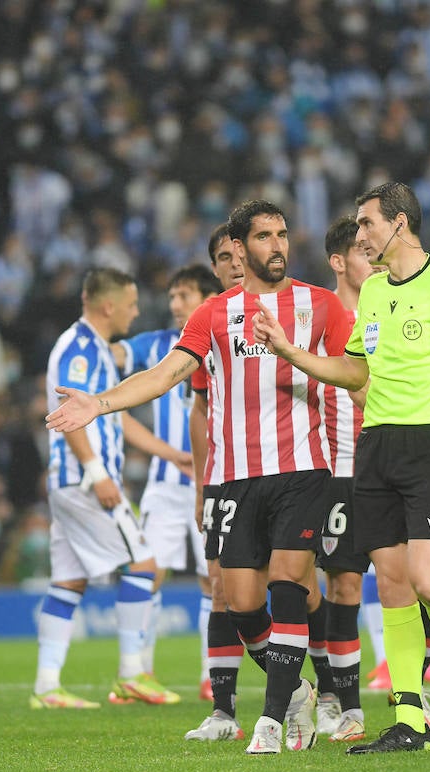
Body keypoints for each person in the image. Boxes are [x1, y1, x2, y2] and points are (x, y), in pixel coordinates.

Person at [50, 201, 350, 755]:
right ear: (239, 248)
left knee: (289, 584)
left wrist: (293, 353)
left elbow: (357, 371)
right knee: (239, 603)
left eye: (282, 234)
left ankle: (270, 718)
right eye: (264, 237)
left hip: (304, 469)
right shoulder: (214, 315)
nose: (278, 245)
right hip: (236, 477)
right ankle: (302, 690)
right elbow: (165, 375)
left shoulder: (320, 304)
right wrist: (100, 403)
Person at [252, 181, 430, 754]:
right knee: (391, 586)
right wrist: (292, 353)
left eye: (366, 224)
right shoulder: (371, 296)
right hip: (377, 447)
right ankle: (409, 721)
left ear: (399, 224)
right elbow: (357, 375)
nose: (359, 235)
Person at [34, 267, 187, 710]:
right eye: (131, 304)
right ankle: (131, 674)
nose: (135, 312)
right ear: (108, 305)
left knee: (68, 580)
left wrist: (168, 453)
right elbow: (71, 409)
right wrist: (97, 473)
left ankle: (47, 685)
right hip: (84, 480)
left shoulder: (96, 348)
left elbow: (111, 415)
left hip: (69, 481)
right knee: (143, 564)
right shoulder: (80, 347)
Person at [112, 264, 220, 701]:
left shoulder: (225, 339)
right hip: (164, 486)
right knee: (148, 572)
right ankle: (137, 672)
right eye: (172, 296)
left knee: (213, 582)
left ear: (207, 299)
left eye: (184, 295)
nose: (174, 304)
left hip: (214, 481)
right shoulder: (156, 344)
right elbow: (113, 356)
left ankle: (212, 676)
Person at [184, 223, 250, 742]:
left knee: (298, 588)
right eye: (223, 257)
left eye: (239, 253)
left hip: (292, 473)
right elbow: (201, 410)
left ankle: (323, 695)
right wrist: (202, 484)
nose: (234, 262)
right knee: (221, 590)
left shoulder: (286, 310)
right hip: (225, 478)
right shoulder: (208, 323)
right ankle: (224, 711)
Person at [312, 215, 375, 741]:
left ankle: (413, 699)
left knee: (419, 584)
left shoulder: (393, 308)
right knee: (343, 583)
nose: (372, 257)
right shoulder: (317, 316)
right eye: (360, 250)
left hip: (394, 465)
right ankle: (341, 703)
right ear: (338, 261)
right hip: (337, 468)